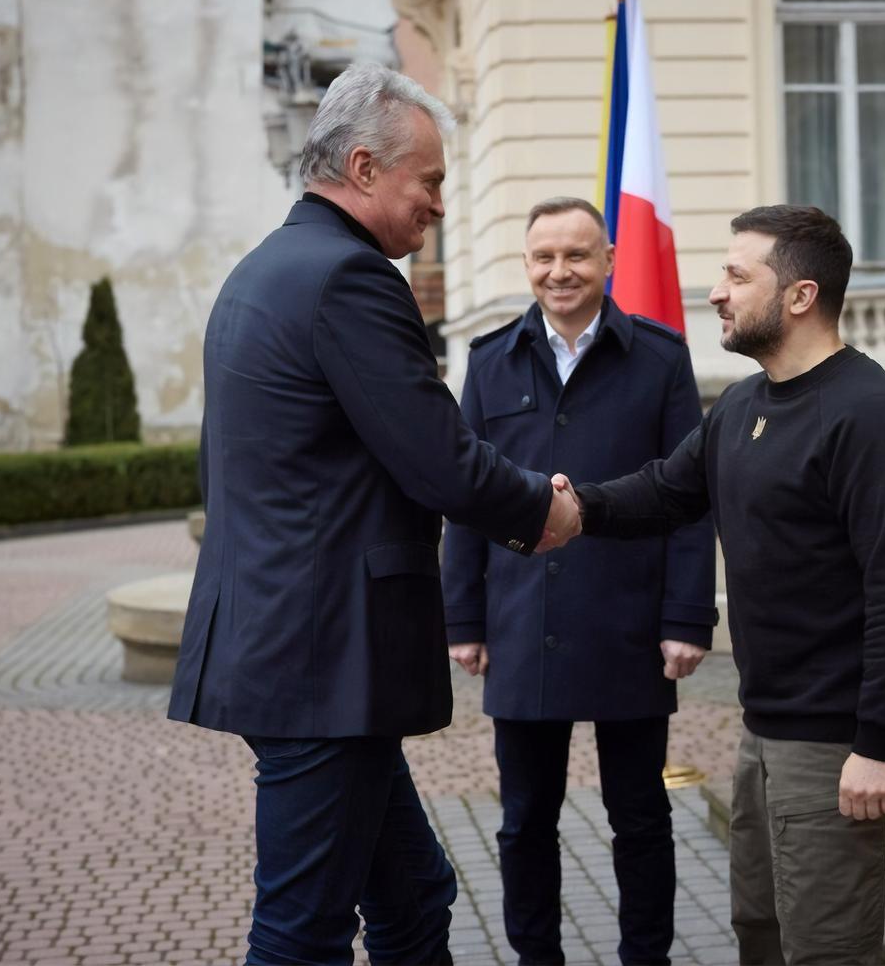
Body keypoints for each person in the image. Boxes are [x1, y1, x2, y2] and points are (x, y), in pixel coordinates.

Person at [166, 63, 581, 965]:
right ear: (363, 167)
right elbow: (438, 458)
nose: (439, 203)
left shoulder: (262, 270)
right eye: (427, 180)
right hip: (323, 660)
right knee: (301, 933)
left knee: (414, 897)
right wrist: (543, 509)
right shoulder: (349, 277)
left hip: (293, 647)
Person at [561, 205, 885, 965]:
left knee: (827, 950)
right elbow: (665, 491)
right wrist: (571, 509)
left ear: (800, 295)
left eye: (737, 275)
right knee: (760, 932)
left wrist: (877, 743)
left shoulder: (871, 417)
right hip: (765, 727)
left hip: (836, 740)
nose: (716, 292)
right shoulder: (742, 404)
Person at [440, 197, 717, 966]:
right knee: (525, 820)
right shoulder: (489, 360)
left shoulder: (660, 358)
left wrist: (687, 616)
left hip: (629, 621)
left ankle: (646, 957)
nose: (559, 271)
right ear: (527, 264)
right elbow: (465, 497)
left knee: (641, 816)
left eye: (576, 255)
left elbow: (691, 497)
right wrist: (463, 618)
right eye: (544, 256)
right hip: (523, 622)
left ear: (608, 261)